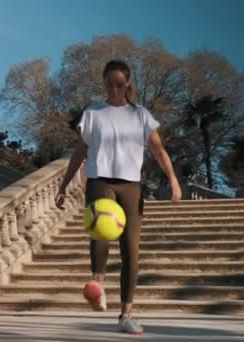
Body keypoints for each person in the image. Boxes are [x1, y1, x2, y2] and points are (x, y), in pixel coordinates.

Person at [54, 59, 182, 335]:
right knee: (100, 230)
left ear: (128, 84)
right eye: (109, 85)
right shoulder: (93, 113)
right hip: (100, 178)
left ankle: (126, 314)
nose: (114, 90)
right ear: (103, 84)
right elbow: (79, 153)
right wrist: (63, 185)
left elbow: (158, 150)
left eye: (119, 85)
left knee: (130, 251)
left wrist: (172, 179)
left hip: (131, 185)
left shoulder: (141, 115)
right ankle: (97, 286)